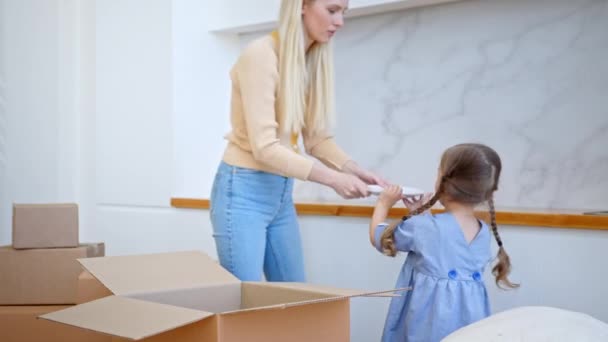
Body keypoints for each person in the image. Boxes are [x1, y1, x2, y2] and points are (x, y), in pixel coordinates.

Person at [211, 0, 386, 282]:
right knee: (242, 305)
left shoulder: (306, 61)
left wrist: (354, 170)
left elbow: (315, 139)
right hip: (242, 191)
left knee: (295, 298)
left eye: (344, 12)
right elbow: (265, 147)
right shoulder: (261, 56)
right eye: (332, 10)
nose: (340, 22)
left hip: (280, 194)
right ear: (302, 5)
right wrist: (333, 179)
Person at [369, 143, 518, 342]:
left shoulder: (425, 227)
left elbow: (379, 239)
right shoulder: (483, 232)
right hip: (468, 329)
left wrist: (383, 204)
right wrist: (422, 216)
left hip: (427, 328)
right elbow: (443, 245)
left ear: (444, 182)